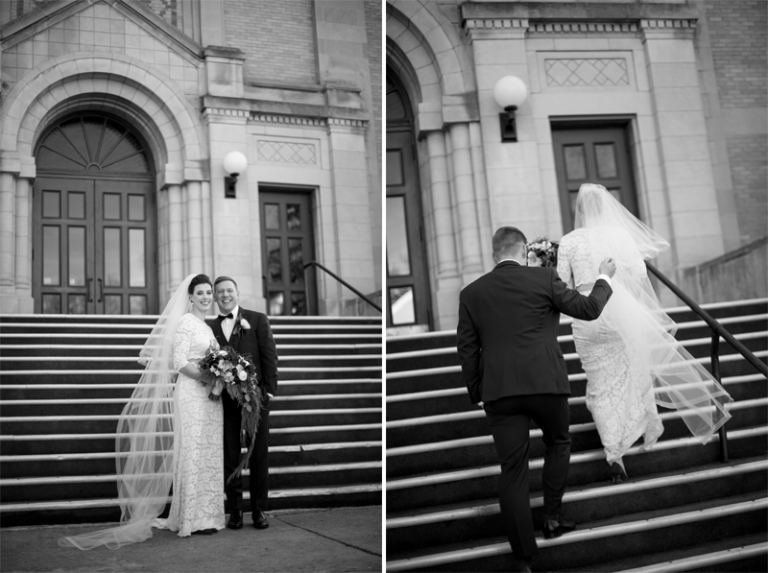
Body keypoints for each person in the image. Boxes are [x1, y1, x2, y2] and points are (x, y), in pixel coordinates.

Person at [457, 226, 615, 573]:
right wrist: (604, 276)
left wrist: (477, 391)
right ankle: (553, 518)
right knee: (559, 442)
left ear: (494, 253)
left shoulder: (471, 293)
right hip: (546, 383)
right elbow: (589, 308)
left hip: (499, 391)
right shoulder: (544, 279)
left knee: (512, 470)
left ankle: (524, 558)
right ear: (523, 249)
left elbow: (467, 349)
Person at [556, 183, 732, 483]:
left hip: (588, 315)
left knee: (599, 383)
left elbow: (560, 284)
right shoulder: (621, 235)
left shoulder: (569, 241)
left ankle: (614, 454)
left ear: (580, 210)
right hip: (620, 311)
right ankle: (636, 429)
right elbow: (639, 274)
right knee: (632, 373)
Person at [59, 273, 225, 550]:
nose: (207, 297)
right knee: (191, 452)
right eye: (201, 293)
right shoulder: (185, 322)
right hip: (191, 394)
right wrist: (209, 378)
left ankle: (207, 515)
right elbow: (180, 361)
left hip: (211, 398)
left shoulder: (206, 327)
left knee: (207, 452)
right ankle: (190, 518)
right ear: (191, 297)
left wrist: (221, 378)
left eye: (209, 292)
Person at [208, 276, 278, 530]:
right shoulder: (210, 326)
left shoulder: (257, 319)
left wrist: (268, 391)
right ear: (215, 297)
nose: (225, 295)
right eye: (220, 292)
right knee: (229, 455)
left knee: (258, 455)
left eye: (229, 290)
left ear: (237, 293)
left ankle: (259, 509)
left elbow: (269, 354)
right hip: (224, 403)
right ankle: (235, 511)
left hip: (255, 400)